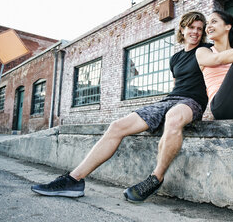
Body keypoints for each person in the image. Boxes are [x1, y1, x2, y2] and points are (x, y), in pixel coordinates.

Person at [31, 11, 212, 203]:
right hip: (169, 100)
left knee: (174, 117)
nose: (196, 32)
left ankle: (155, 178)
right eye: (191, 27)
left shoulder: (207, 49)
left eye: (200, 29)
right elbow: (177, 84)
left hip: (192, 102)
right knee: (117, 126)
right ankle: (73, 180)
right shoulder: (175, 58)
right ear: (182, 29)